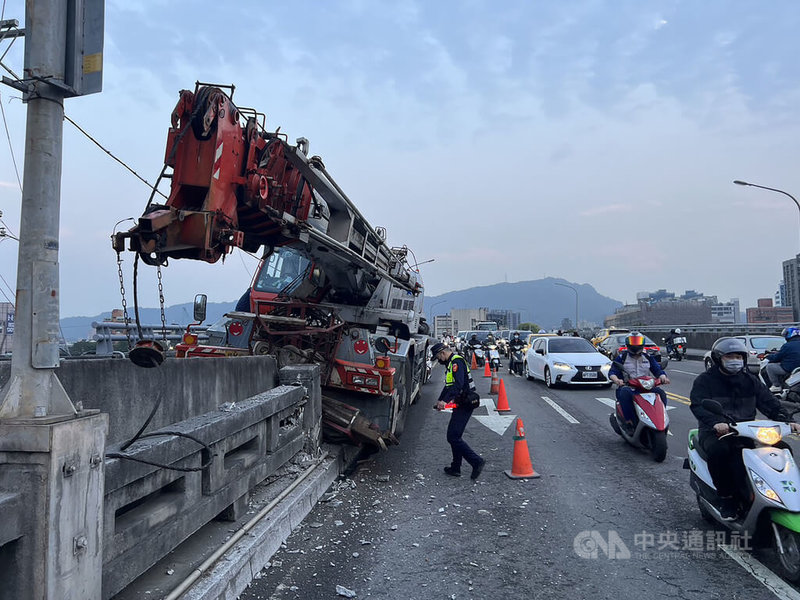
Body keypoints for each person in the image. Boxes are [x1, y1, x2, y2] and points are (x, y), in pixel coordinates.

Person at [690, 337, 800, 519]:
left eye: (738, 356)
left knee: (782, 450)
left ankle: (785, 495)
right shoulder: (705, 381)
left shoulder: (750, 380)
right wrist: (716, 422)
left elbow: (770, 403)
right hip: (717, 432)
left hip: (748, 431)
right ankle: (727, 497)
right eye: (729, 356)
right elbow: (699, 405)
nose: (735, 360)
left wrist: (788, 420)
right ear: (718, 359)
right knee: (722, 453)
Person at [431, 342, 485, 480]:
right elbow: (448, 386)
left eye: (438, 357)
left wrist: (445, 401)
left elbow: (458, 385)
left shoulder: (457, 362)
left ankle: (476, 461)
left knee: (453, 437)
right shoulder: (451, 364)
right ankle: (455, 467)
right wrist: (440, 400)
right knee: (455, 436)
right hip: (460, 403)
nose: (438, 360)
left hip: (466, 402)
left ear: (442, 353)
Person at [608, 332, 669, 433]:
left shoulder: (648, 357)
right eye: (633, 342)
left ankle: (660, 419)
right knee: (625, 393)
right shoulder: (622, 357)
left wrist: (663, 377)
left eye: (638, 342)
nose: (636, 345)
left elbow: (657, 370)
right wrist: (617, 380)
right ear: (628, 343)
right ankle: (628, 423)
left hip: (646, 387)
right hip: (628, 387)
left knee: (661, 393)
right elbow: (612, 372)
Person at [764, 327, 800, 391]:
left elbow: (776, 358)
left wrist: (768, 356)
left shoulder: (787, 345)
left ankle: (776, 386)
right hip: (797, 369)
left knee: (770, 367)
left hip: (790, 368)